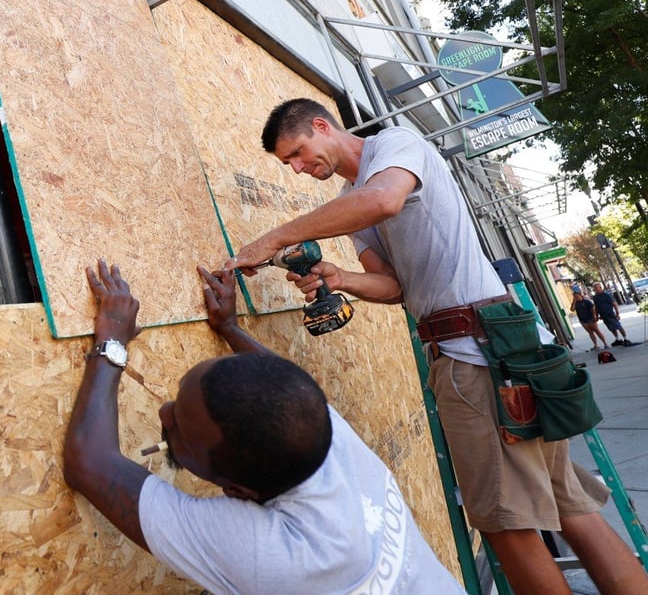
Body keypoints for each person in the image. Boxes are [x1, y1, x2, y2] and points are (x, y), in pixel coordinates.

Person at [224, 98, 648, 594]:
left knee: (503, 525)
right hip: (488, 346)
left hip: (475, 354)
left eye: (296, 152)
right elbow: (396, 287)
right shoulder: (352, 199)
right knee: (568, 504)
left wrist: (271, 239)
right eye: (286, 165)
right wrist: (341, 277)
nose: (297, 168)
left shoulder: (396, 145)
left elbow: (383, 199)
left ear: (323, 126)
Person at [63, 259, 466, 594]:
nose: (164, 411)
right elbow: (282, 382)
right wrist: (231, 328)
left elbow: (89, 463)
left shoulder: (274, 555)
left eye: (179, 431)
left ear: (236, 492)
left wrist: (111, 340)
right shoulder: (323, 435)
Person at [592, 282, 633, 346]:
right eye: (594, 288)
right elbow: (596, 307)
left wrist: (617, 313)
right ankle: (617, 339)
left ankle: (626, 339)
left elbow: (614, 304)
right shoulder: (595, 297)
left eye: (596, 288)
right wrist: (596, 316)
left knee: (618, 326)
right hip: (603, 316)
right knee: (611, 328)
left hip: (610, 314)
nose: (595, 289)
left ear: (600, 287)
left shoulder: (606, 295)